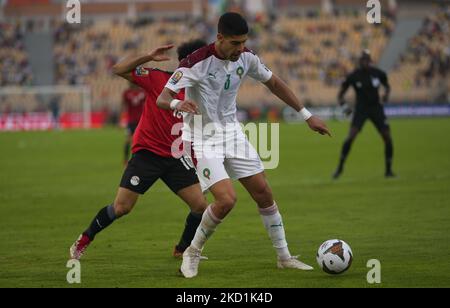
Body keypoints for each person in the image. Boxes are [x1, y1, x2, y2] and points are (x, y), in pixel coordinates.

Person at [156, 12, 331, 278]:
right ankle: (192, 252)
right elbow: (162, 97)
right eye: (235, 43)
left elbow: (274, 83)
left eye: (244, 42)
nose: (241, 48)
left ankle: (284, 257)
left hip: (233, 135)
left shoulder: (246, 57)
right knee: (226, 200)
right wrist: (177, 103)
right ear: (220, 38)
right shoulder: (195, 63)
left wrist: (307, 115)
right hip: (203, 140)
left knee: (263, 193)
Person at [69, 40, 209, 261]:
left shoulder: (201, 91)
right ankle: (84, 239)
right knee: (122, 207)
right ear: (193, 62)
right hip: (148, 154)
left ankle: (182, 249)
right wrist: (148, 55)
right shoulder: (158, 78)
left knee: (201, 207)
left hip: (175, 156)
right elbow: (118, 69)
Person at [333, 50, 395, 179]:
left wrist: (386, 95)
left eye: (367, 60)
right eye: (363, 60)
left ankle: (388, 171)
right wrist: (345, 108)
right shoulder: (354, 76)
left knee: (387, 137)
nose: (365, 62)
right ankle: (339, 168)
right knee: (351, 136)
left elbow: (387, 86)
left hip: (376, 108)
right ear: (359, 61)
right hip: (361, 110)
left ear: (370, 61)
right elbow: (340, 95)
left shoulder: (378, 74)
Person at [122, 82, 146, 164]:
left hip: (140, 121)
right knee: (128, 140)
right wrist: (121, 119)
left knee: (140, 141)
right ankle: (125, 160)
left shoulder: (143, 92)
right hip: (130, 121)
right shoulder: (127, 93)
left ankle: (137, 159)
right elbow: (123, 105)